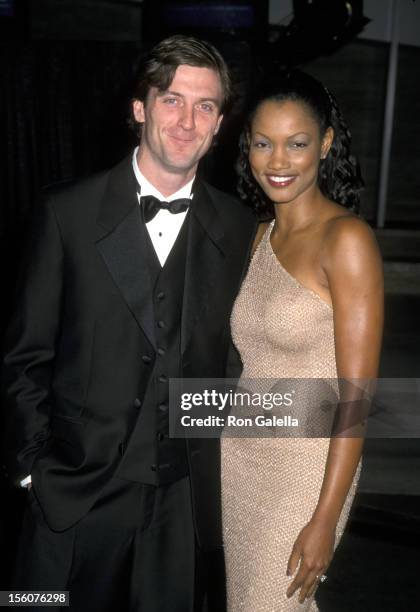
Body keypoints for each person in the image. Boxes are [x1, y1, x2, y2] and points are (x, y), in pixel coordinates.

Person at [1, 35, 256, 612]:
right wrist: (31, 471)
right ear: (139, 108)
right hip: (71, 496)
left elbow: (242, 364)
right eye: (171, 99)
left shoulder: (244, 228)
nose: (187, 121)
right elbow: (23, 355)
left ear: (219, 124)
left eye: (206, 106)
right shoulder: (64, 212)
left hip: (184, 505)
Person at [221, 70, 383, 611]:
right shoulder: (258, 234)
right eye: (263, 143)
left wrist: (325, 518)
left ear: (326, 143)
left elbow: (356, 397)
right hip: (239, 457)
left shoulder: (347, 240)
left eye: (297, 144)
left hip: (305, 471)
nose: (278, 161)